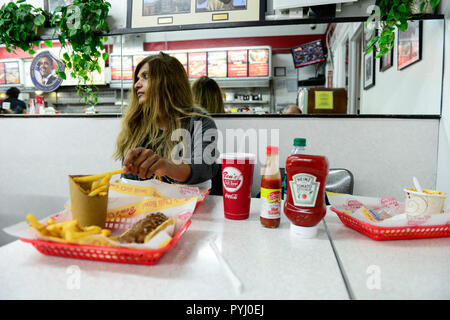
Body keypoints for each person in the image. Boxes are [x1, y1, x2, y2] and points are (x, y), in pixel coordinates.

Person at [113, 52, 220, 185]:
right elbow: (131, 179)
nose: (136, 85)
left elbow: (203, 168)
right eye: (137, 79)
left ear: (167, 82)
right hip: (143, 203)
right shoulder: (135, 124)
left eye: (145, 77)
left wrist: (166, 167)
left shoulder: (199, 122)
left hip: (188, 203)